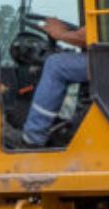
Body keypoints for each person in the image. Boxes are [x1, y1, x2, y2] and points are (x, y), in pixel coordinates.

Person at [22, 17, 87, 147]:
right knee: (63, 59)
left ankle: (34, 136)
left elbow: (88, 36)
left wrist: (60, 33)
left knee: (55, 65)